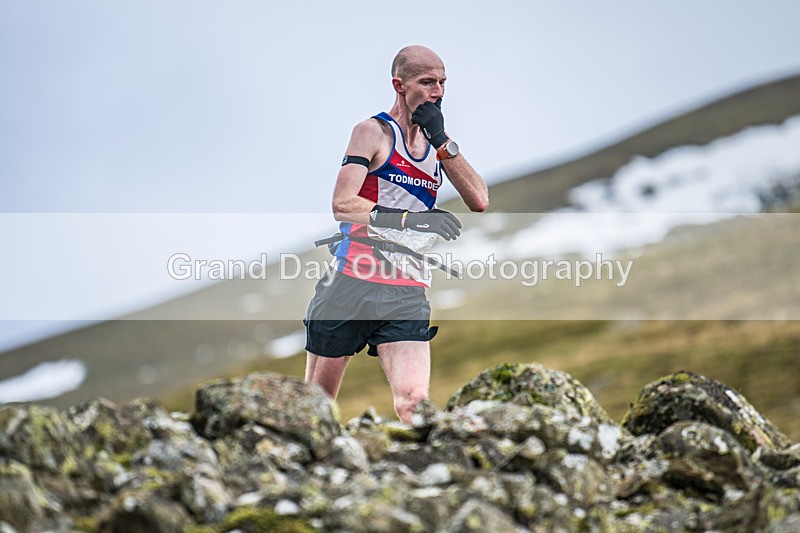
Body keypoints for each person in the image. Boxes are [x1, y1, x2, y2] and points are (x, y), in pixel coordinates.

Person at [304, 45, 488, 423]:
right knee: (315, 409)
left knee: (414, 402)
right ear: (399, 85)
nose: (437, 91)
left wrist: (441, 141)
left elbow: (479, 200)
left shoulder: (438, 146)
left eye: (442, 83)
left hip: (406, 291)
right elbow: (342, 203)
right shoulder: (372, 132)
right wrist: (410, 220)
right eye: (427, 82)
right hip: (351, 283)